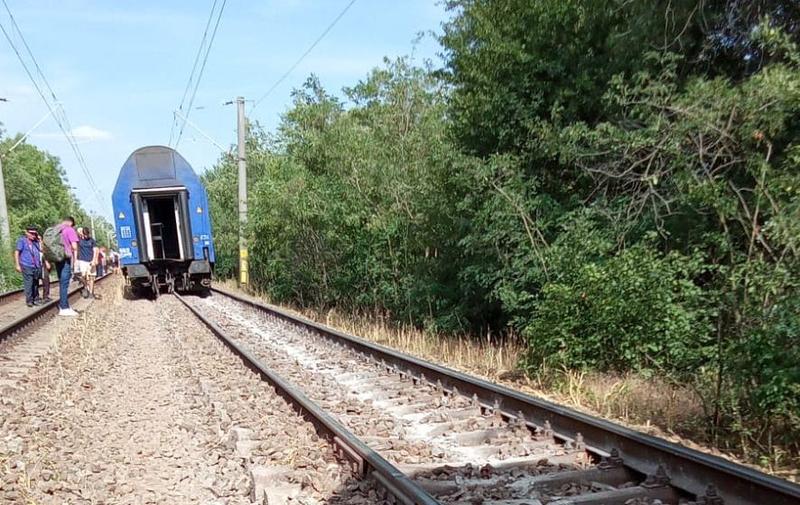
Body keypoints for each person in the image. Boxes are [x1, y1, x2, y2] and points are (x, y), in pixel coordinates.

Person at [53, 216, 79, 316]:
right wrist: (75, 261)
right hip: (65, 258)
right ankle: (64, 308)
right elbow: (74, 246)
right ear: (71, 223)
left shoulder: (56, 229)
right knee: (64, 283)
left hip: (56, 258)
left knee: (61, 282)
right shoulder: (69, 230)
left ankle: (64, 305)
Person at [14, 226, 43, 307]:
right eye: (31, 233)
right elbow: (17, 252)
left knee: (36, 283)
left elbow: (42, 250)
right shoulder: (22, 240)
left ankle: (36, 299)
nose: (33, 235)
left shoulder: (36, 242)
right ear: (26, 233)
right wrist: (17, 265)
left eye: (35, 234)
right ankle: (29, 300)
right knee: (29, 283)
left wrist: (40, 240)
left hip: (36, 265)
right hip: (26, 265)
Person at [76, 227, 100, 299]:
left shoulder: (92, 240)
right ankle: (86, 287)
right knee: (83, 275)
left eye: (87, 234)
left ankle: (91, 293)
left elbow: (96, 250)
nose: (86, 236)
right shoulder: (79, 240)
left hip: (90, 260)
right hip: (82, 260)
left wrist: (94, 260)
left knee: (91, 277)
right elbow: (77, 232)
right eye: (84, 234)